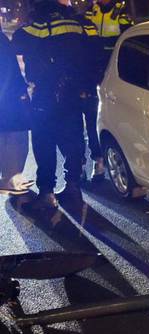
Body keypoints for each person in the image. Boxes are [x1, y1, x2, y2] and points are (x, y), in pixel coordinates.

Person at [12, 0, 97, 210]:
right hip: (73, 93)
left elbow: (19, 40)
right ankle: (73, 187)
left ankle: (47, 193)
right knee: (74, 140)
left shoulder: (40, 25)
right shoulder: (78, 24)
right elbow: (91, 52)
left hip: (46, 95)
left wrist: (26, 19)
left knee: (44, 143)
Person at [82, 0, 133, 181]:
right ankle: (99, 161)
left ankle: (128, 164)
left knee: (115, 120)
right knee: (93, 119)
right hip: (93, 73)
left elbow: (128, 42)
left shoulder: (120, 13)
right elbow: (84, 41)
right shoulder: (90, 12)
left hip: (113, 71)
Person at [0, 33, 32, 194]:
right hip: (8, 97)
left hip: (9, 95)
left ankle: (11, 176)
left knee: (12, 136)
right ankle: (9, 179)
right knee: (13, 137)